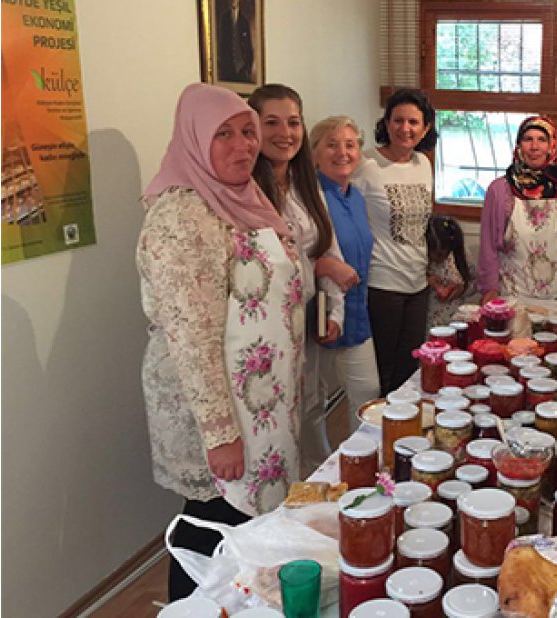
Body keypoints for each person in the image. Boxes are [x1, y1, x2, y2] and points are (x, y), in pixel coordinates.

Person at [137, 83, 303, 600]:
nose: (243, 145)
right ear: (192, 140)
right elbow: (191, 336)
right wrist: (218, 433)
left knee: (244, 528)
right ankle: (192, 611)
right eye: (223, 135)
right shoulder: (182, 214)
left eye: (247, 131)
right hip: (217, 410)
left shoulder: (241, 199)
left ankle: (239, 605)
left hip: (260, 404)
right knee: (210, 522)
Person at [248, 83, 349, 473]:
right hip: (266, 333)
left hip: (308, 323)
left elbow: (327, 252)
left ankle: (313, 496)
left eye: (292, 122)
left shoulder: (307, 187)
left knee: (311, 412)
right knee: (274, 421)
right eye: (270, 122)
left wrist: (333, 313)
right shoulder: (245, 192)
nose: (284, 133)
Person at [353, 88, 438, 395]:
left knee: (408, 365)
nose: (406, 128)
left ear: (425, 127)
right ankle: (376, 430)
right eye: (398, 120)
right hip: (381, 282)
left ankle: (403, 430)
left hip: (417, 283)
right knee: (381, 369)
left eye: (414, 122)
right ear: (386, 123)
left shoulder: (423, 164)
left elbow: (425, 224)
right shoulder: (366, 165)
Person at [309, 115, 382, 422]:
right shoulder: (309, 198)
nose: (343, 152)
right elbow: (293, 259)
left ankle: (358, 463)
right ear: (314, 153)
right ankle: (316, 466)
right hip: (319, 314)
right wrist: (326, 267)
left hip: (356, 312)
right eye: (332, 145)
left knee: (368, 392)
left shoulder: (356, 197)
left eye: (350, 145)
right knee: (312, 402)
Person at [477, 116, 557, 303]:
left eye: (542, 139)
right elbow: (488, 244)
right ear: (518, 145)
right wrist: (489, 289)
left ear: (551, 146)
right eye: (528, 139)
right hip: (514, 294)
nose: (534, 147)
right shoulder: (499, 189)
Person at [426, 214, 474, 327]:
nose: (439, 259)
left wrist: (463, 288)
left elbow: (474, 282)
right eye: (435, 255)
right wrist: (428, 281)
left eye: (443, 254)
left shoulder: (460, 256)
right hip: (428, 323)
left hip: (455, 321)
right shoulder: (421, 260)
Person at [215, 0, 254, 83]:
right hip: (228, 67)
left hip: (242, 68)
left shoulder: (244, 20)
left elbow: (248, 46)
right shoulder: (224, 19)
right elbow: (221, 45)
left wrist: (248, 67)